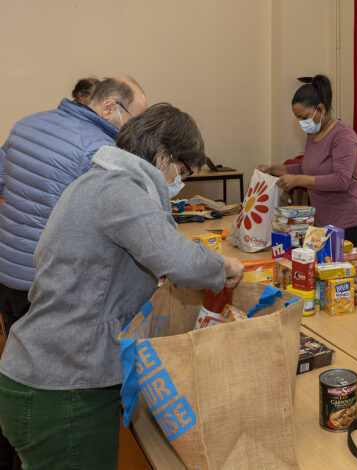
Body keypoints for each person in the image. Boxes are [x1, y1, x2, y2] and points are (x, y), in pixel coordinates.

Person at [0, 103, 245, 469]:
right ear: (163, 157)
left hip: (48, 372)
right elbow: (179, 262)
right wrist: (222, 265)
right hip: (65, 388)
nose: (181, 183)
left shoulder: (94, 181)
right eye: (184, 170)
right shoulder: (120, 189)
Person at [0, 76, 147, 469]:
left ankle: (18, 453)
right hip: (49, 282)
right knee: (57, 387)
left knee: (20, 363)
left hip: (8, 274)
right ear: (110, 108)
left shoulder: (26, 124)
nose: (134, 129)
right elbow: (109, 219)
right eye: (135, 117)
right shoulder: (99, 150)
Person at [257, 75, 357, 249]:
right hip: (323, 219)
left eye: (304, 116)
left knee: (342, 271)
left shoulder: (343, 136)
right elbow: (304, 168)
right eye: (298, 118)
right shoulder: (313, 134)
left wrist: (298, 180)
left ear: (321, 109)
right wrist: (272, 168)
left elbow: (341, 180)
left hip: (349, 219)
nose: (301, 122)